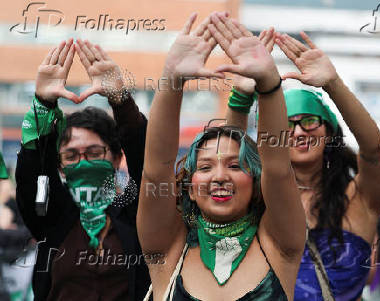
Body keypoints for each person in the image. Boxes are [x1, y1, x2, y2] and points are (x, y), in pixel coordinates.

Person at [137, 12, 306, 300]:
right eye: (204, 167)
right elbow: (156, 169)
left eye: (234, 165)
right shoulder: (168, 247)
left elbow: (277, 168)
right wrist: (172, 79)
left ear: (255, 181)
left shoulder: (278, 243)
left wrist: (269, 84)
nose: (219, 176)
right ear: (189, 186)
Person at [225, 30, 380, 300]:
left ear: (329, 132)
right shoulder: (259, 196)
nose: (300, 132)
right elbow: (229, 160)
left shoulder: (360, 197)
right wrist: (242, 95)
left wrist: (333, 83)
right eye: (288, 125)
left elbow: (374, 151)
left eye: (310, 121)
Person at [15, 38, 150, 301]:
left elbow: (148, 165)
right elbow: (33, 177)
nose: (84, 162)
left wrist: (119, 99)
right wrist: (43, 105)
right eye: (71, 155)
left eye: (94, 153)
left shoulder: (135, 213)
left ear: (116, 157)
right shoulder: (52, 215)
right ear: (60, 166)